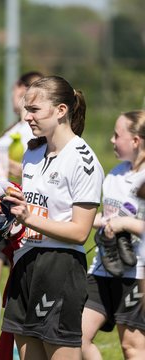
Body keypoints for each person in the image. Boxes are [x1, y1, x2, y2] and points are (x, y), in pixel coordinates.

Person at [0, 75, 104, 360]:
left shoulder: (83, 161)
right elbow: (31, 209)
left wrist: (28, 218)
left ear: (61, 111)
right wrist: (3, 215)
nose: (27, 116)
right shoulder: (33, 153)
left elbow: (80, 232)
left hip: (61, 266)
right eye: (26, 108)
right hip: (25, 262)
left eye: (34, 110)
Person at [0, 71, 44, 360]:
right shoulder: (12, 129)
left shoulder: (39, 132)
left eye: (31, 89)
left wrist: (21, 171)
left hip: (22, 217)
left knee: (19, 285)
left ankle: (16, 344)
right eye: (22, 87)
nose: (22, 94)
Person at [82, 110, 145, 360]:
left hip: (136, 273)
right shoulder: (115, 173)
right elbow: (105, 217)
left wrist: (125, 224)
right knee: (75, 337)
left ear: (136, 141)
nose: (111, 140)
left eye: (117, 135)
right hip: (101, 269)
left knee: (132, 347)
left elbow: (123, 222)